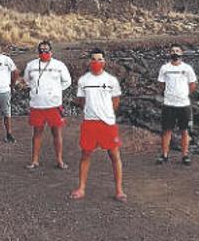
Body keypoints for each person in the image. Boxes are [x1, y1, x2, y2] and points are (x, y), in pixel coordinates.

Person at [70, 49, 126, 202]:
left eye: (99, 59)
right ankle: (81, 188)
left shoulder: (111, 80)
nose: (96, 62)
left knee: (114, 156)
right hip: (89, 122)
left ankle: (119, 190)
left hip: (107, 123)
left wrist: (106, 113)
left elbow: (115, 101)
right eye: (93, 59)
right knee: (86, 155)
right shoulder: (83, 81)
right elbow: (81, 101)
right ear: (89, 61)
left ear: (104, 61)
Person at [20, 40, 72, 170]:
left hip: (54, 105)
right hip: (37, 105)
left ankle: (59, 160)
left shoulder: (59, 65)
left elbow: (67, 81)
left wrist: (56, 91)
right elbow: (27, 80)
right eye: (41, 50)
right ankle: (34, 160)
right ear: (38, 52)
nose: (44, 53)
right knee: (37, 133)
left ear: (51, 52)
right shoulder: (31, 65)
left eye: (46, 50)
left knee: (57, 132)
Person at [156, 43, 197, 165]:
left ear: (182, 53)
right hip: (169, 104)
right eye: (172, 50)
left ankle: (185, 155)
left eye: (177, 50)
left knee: (185, 131)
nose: (175, 52)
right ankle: (164, 155)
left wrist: (184, 94)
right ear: (170, 53)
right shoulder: (165, 68)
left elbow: (193, 84)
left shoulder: (187, 68)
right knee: (166, 130)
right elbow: (161, 84)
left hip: (184, 104)